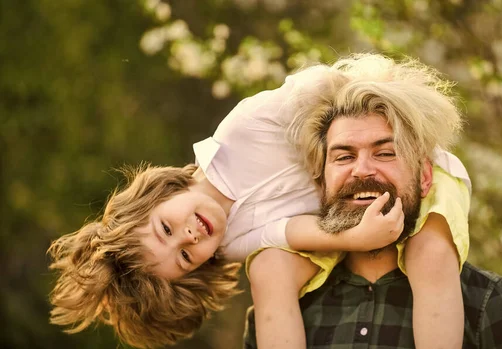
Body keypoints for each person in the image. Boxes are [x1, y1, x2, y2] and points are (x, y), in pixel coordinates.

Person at [48, 54, 470, 348]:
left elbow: (317, 83)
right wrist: (357, 238)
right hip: (342, 217)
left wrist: (352, 121)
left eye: (166, 228)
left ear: (158, 196)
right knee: (268, 269)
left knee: (429, 253)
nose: (190, 236)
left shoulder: (240, 134)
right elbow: (290, 231)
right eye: (185, 257)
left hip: (407, 176)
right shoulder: (230, 243)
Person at [243, 73, 502, 348]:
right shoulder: (285, 310)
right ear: (321, 183)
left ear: (425, 177)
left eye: (385, 153)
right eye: (344, 156)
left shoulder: (486, 302)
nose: (362, 170)